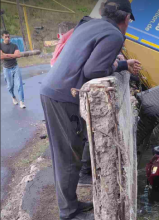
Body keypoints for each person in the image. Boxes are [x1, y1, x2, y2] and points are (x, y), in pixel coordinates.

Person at [40, 0, 141, 219]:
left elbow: (90, 59)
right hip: (64, 97)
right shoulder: (114, 35)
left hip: (54, 90)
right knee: (68, 156)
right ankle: (68, 212)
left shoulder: (90, 24)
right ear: (126, 19)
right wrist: (118, 65)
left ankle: (70, 204)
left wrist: (122, 64)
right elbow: (94, 69)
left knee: (67, 154)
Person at [1, 30, 26, 109]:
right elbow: (1, 57)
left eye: (8, 37)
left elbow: (18, 55)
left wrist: (6, 55)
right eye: (6, 37)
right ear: (2, 37)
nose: (8, 38)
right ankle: (13, 97)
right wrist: (12, 55)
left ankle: (21, 101)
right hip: (6, 68)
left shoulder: (14, 45)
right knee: (10, 86)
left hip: (15, 67)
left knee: (19, 84)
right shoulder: (0, 46)